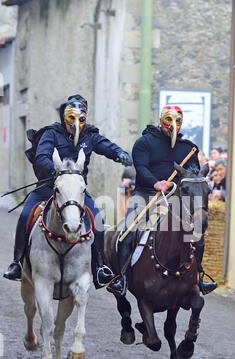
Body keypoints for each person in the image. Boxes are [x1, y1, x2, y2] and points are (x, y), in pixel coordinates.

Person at [3, 94, 132, 289]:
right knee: (25, 216)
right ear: (64, 116)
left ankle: (99, 267)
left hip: (77, 192)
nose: (77, 123)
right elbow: (41, 157)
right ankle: (18, 263)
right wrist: (56, 170)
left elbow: (106, 146)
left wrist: (120, 153)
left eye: (81, 118)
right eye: (72, 118)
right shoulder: (51, 133)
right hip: (49, 187)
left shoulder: (90, 135)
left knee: (98, 220)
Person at [107, 105, 217, 296]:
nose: (172, 126)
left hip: (177, 198)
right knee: (129, 229)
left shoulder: (188, 149)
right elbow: (140, 167)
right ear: (161, 121)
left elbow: (193, 175)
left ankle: (199, 277)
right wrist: (155, 183)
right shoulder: (144, 142)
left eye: (177, 122)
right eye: (169, 121)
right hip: (146, 194)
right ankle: (122, 277)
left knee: (196, 233)